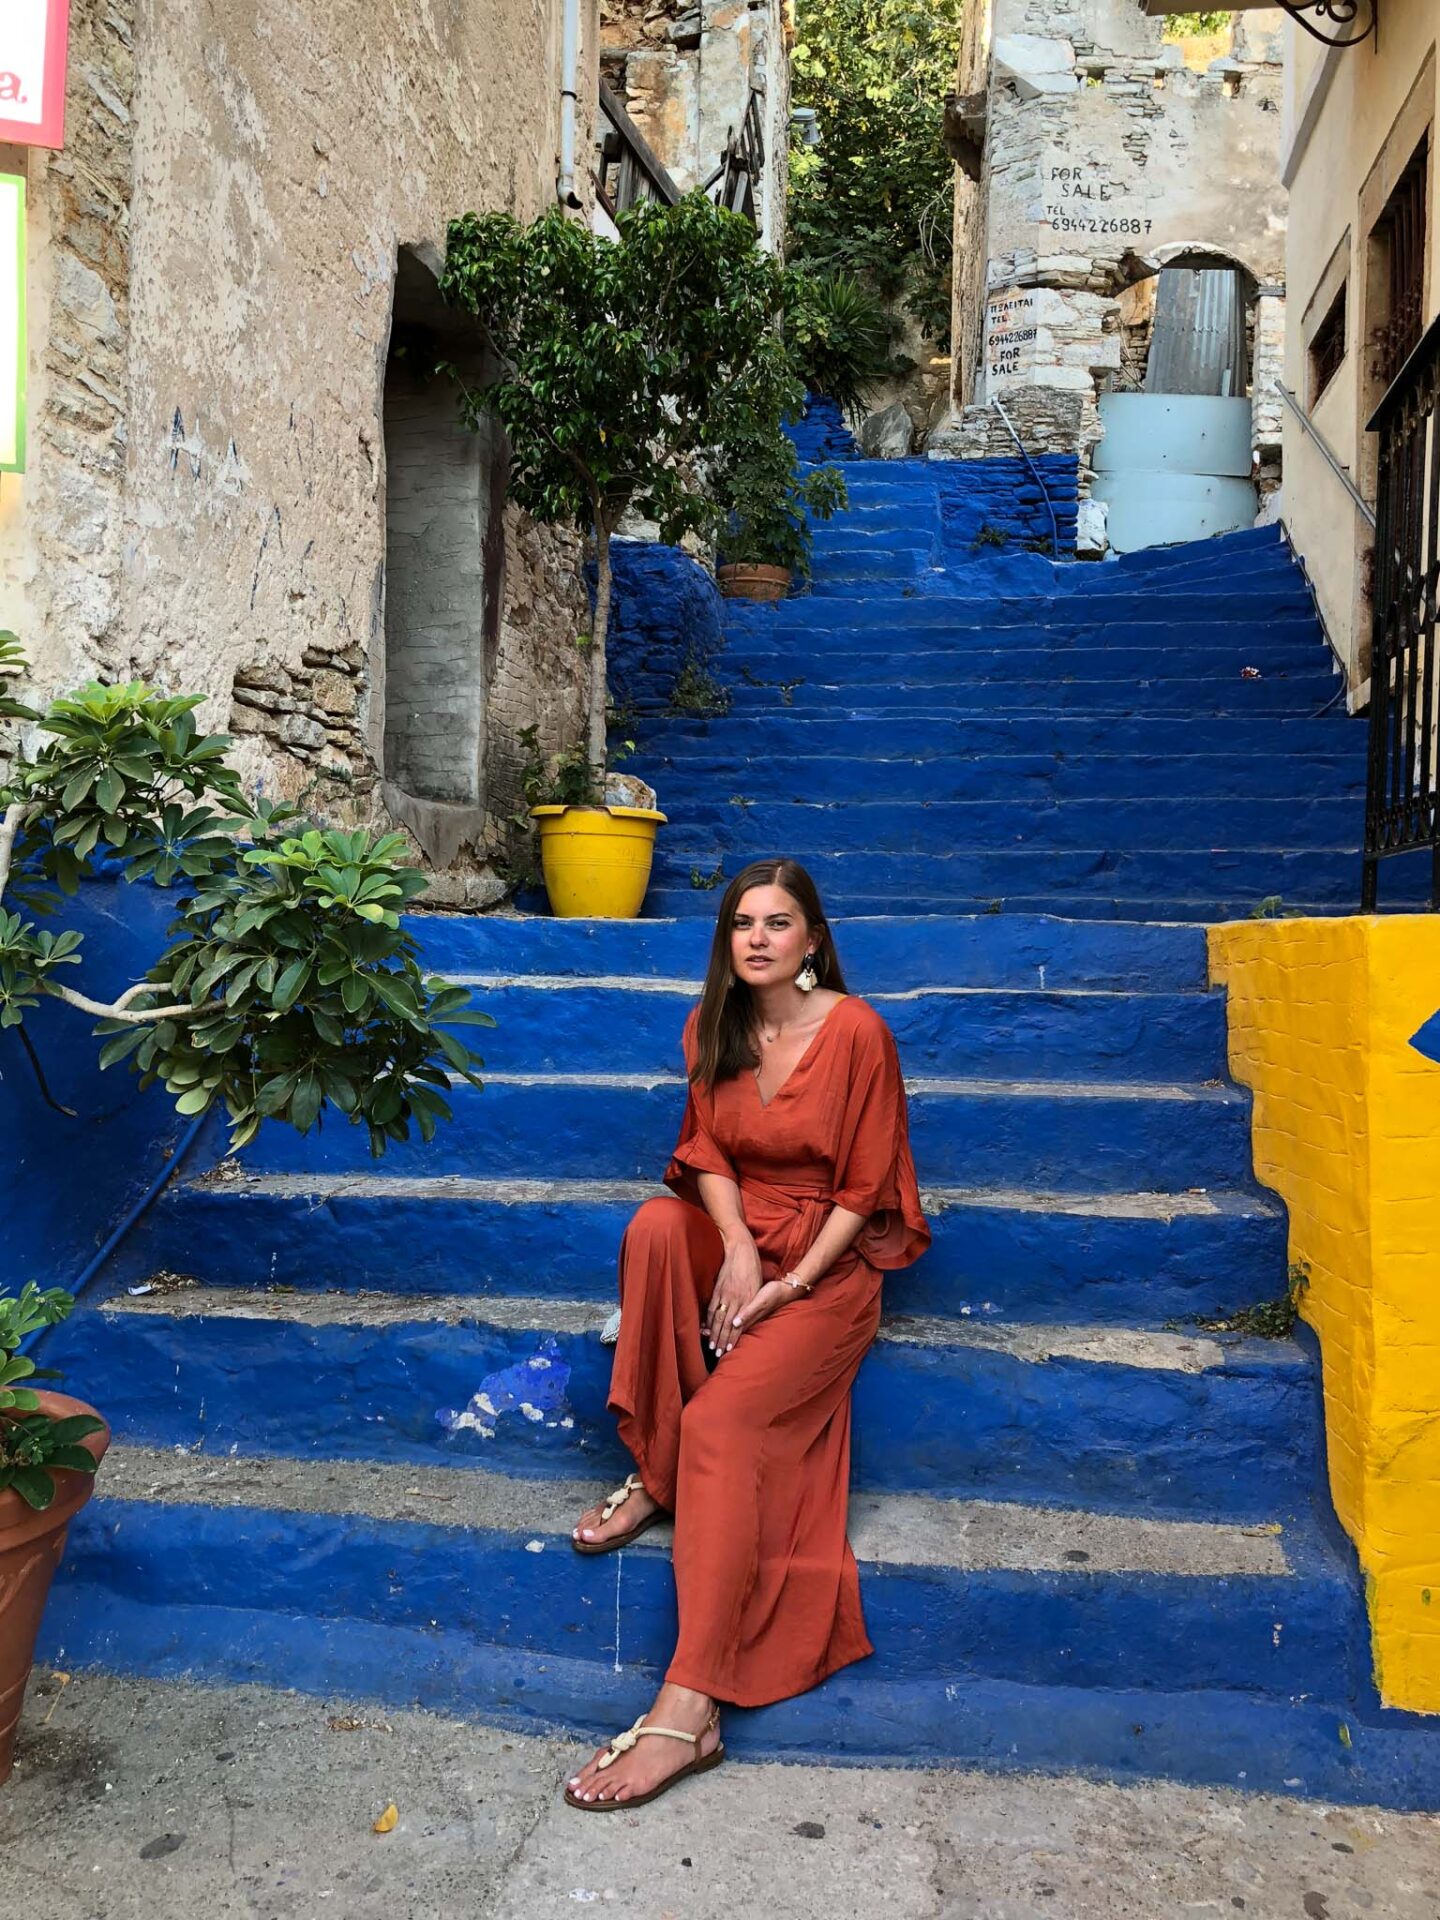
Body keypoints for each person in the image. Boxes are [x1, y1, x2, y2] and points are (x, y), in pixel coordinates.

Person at [564, 857, 930, 1811]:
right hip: (745, 1231)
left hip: (826, 1265)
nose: (758, 938)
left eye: (778, 922)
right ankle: (661, 1472)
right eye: (742, 924)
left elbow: (863, 1189)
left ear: (812, 938)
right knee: (653, 1227)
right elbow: (707, 1151)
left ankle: (690, 1711)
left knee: (725, 1425)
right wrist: (732, 1248)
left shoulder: (857, 1032)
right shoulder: (712, 1025)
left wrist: (787, 1282)